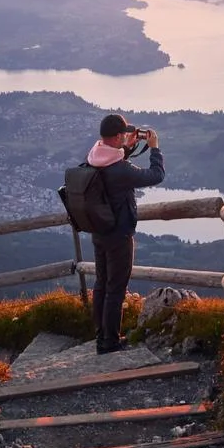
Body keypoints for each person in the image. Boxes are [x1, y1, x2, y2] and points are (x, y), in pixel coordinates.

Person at [85, 112, 165, 353]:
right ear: (118, 135)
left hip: (99, 231)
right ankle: (110, 342)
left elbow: (113, 166)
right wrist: (154, 149)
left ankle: (101, 334)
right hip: (119, 234)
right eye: (125, 134)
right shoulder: (121, 170)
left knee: (101, 283)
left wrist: (127, 149)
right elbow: (156, 176)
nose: (128, 136)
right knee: (116, 288)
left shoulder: (93, 156)